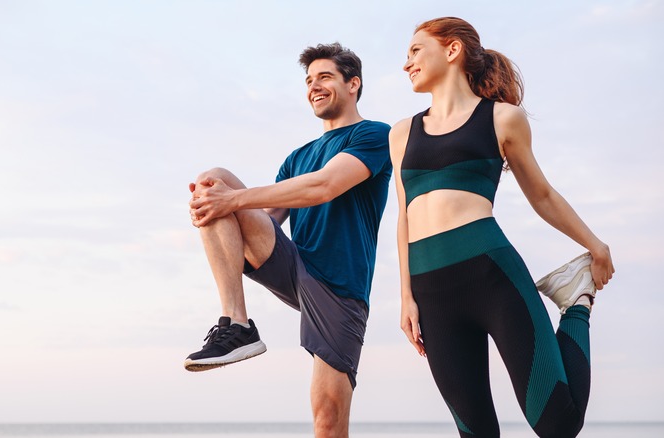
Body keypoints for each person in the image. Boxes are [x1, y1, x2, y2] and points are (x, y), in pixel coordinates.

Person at [389, 17, 615, 438]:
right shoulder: (402, 133)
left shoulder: (502, 119)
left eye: (415, 50)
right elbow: (402, 216)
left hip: (491, 274)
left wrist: (594, 245)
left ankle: (576, 303)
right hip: (430, 290)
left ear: (452, 50)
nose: (407, 64)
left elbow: (542, 195)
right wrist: (405, 296)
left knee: (558, 424)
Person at [185, 42, 391, 437]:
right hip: (293, 266)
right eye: (309, 80)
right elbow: (267, 221)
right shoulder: (298, 156)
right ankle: (237, 324)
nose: (314, 86)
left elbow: (325, 186)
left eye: (325, 77)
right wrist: (214, 208)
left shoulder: (374, 135)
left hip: (339, 285)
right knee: (214, 179)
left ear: (353, 84)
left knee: (327, 421)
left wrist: (232, 199)